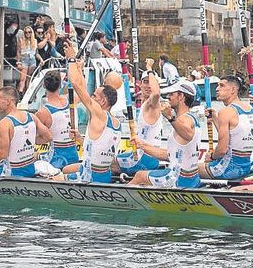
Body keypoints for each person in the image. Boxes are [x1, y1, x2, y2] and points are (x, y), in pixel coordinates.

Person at [56, 43, 122, 183]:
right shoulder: (115, 122)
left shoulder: (99, 113)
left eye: (95, 96)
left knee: (54, 177)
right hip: (104, 174)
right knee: (66, 169)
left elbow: (75, 85)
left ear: (103, 102)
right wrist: (80, 139)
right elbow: (99, 145)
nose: (91, 98)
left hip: (89, 176)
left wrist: (72, 60)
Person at [129, 77, 204, 189]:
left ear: (181, 96)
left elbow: (188, 135)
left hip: (177, 179)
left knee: (140, 176)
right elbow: (167, 155)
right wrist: (142, 145)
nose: (168, 97)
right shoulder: (190, 117)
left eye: (171, 94)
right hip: (190, 178)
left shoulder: (184, 120)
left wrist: (170, 117)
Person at [0, 86, 51, 177]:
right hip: (30, 170)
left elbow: (2, 154)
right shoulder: (31, 117)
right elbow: (48, 137)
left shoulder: (4, 123)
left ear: (8, 101)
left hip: (12, 174)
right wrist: (25, 141)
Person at [199, 74, 253, 180]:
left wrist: (211, 156)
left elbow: (222, 150)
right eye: (217, 85)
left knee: (187, 169)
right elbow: (233, 136)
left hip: (227, 169)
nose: (217, 89)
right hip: (245, 167)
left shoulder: (226, 111)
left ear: (233, 90)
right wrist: (214, 118)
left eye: (221, 86)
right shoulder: (249, 108)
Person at [115, 70, 168, 177]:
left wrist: (149, 69)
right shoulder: (144, 104)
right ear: (140, 85)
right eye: (145, 82)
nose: (149, 86)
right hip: (141, 156)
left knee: (104, 163)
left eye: (151, 83)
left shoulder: (152, 104)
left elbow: (156, 94)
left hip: (145, 159)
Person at [34, 71, 79, 170]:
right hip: (74, 155)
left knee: (34, 157)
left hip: (56, 159)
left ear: (44, 86)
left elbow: (37, 139)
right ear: (60, 85)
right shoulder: (73, 99)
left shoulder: (42, 113)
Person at [17, 25, 38, 91]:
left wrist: (41, 59)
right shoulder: (21, 40)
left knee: (29, 78)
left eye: (29, 32)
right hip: (24, 59)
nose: (27, 34)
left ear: (32, 33)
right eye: (26, 32)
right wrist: (18, 62)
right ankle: (20, 92)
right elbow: (18, 52)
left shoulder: (34, 41)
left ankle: (26, 93)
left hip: (32, 59)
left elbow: (36, 53)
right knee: (23, 78)